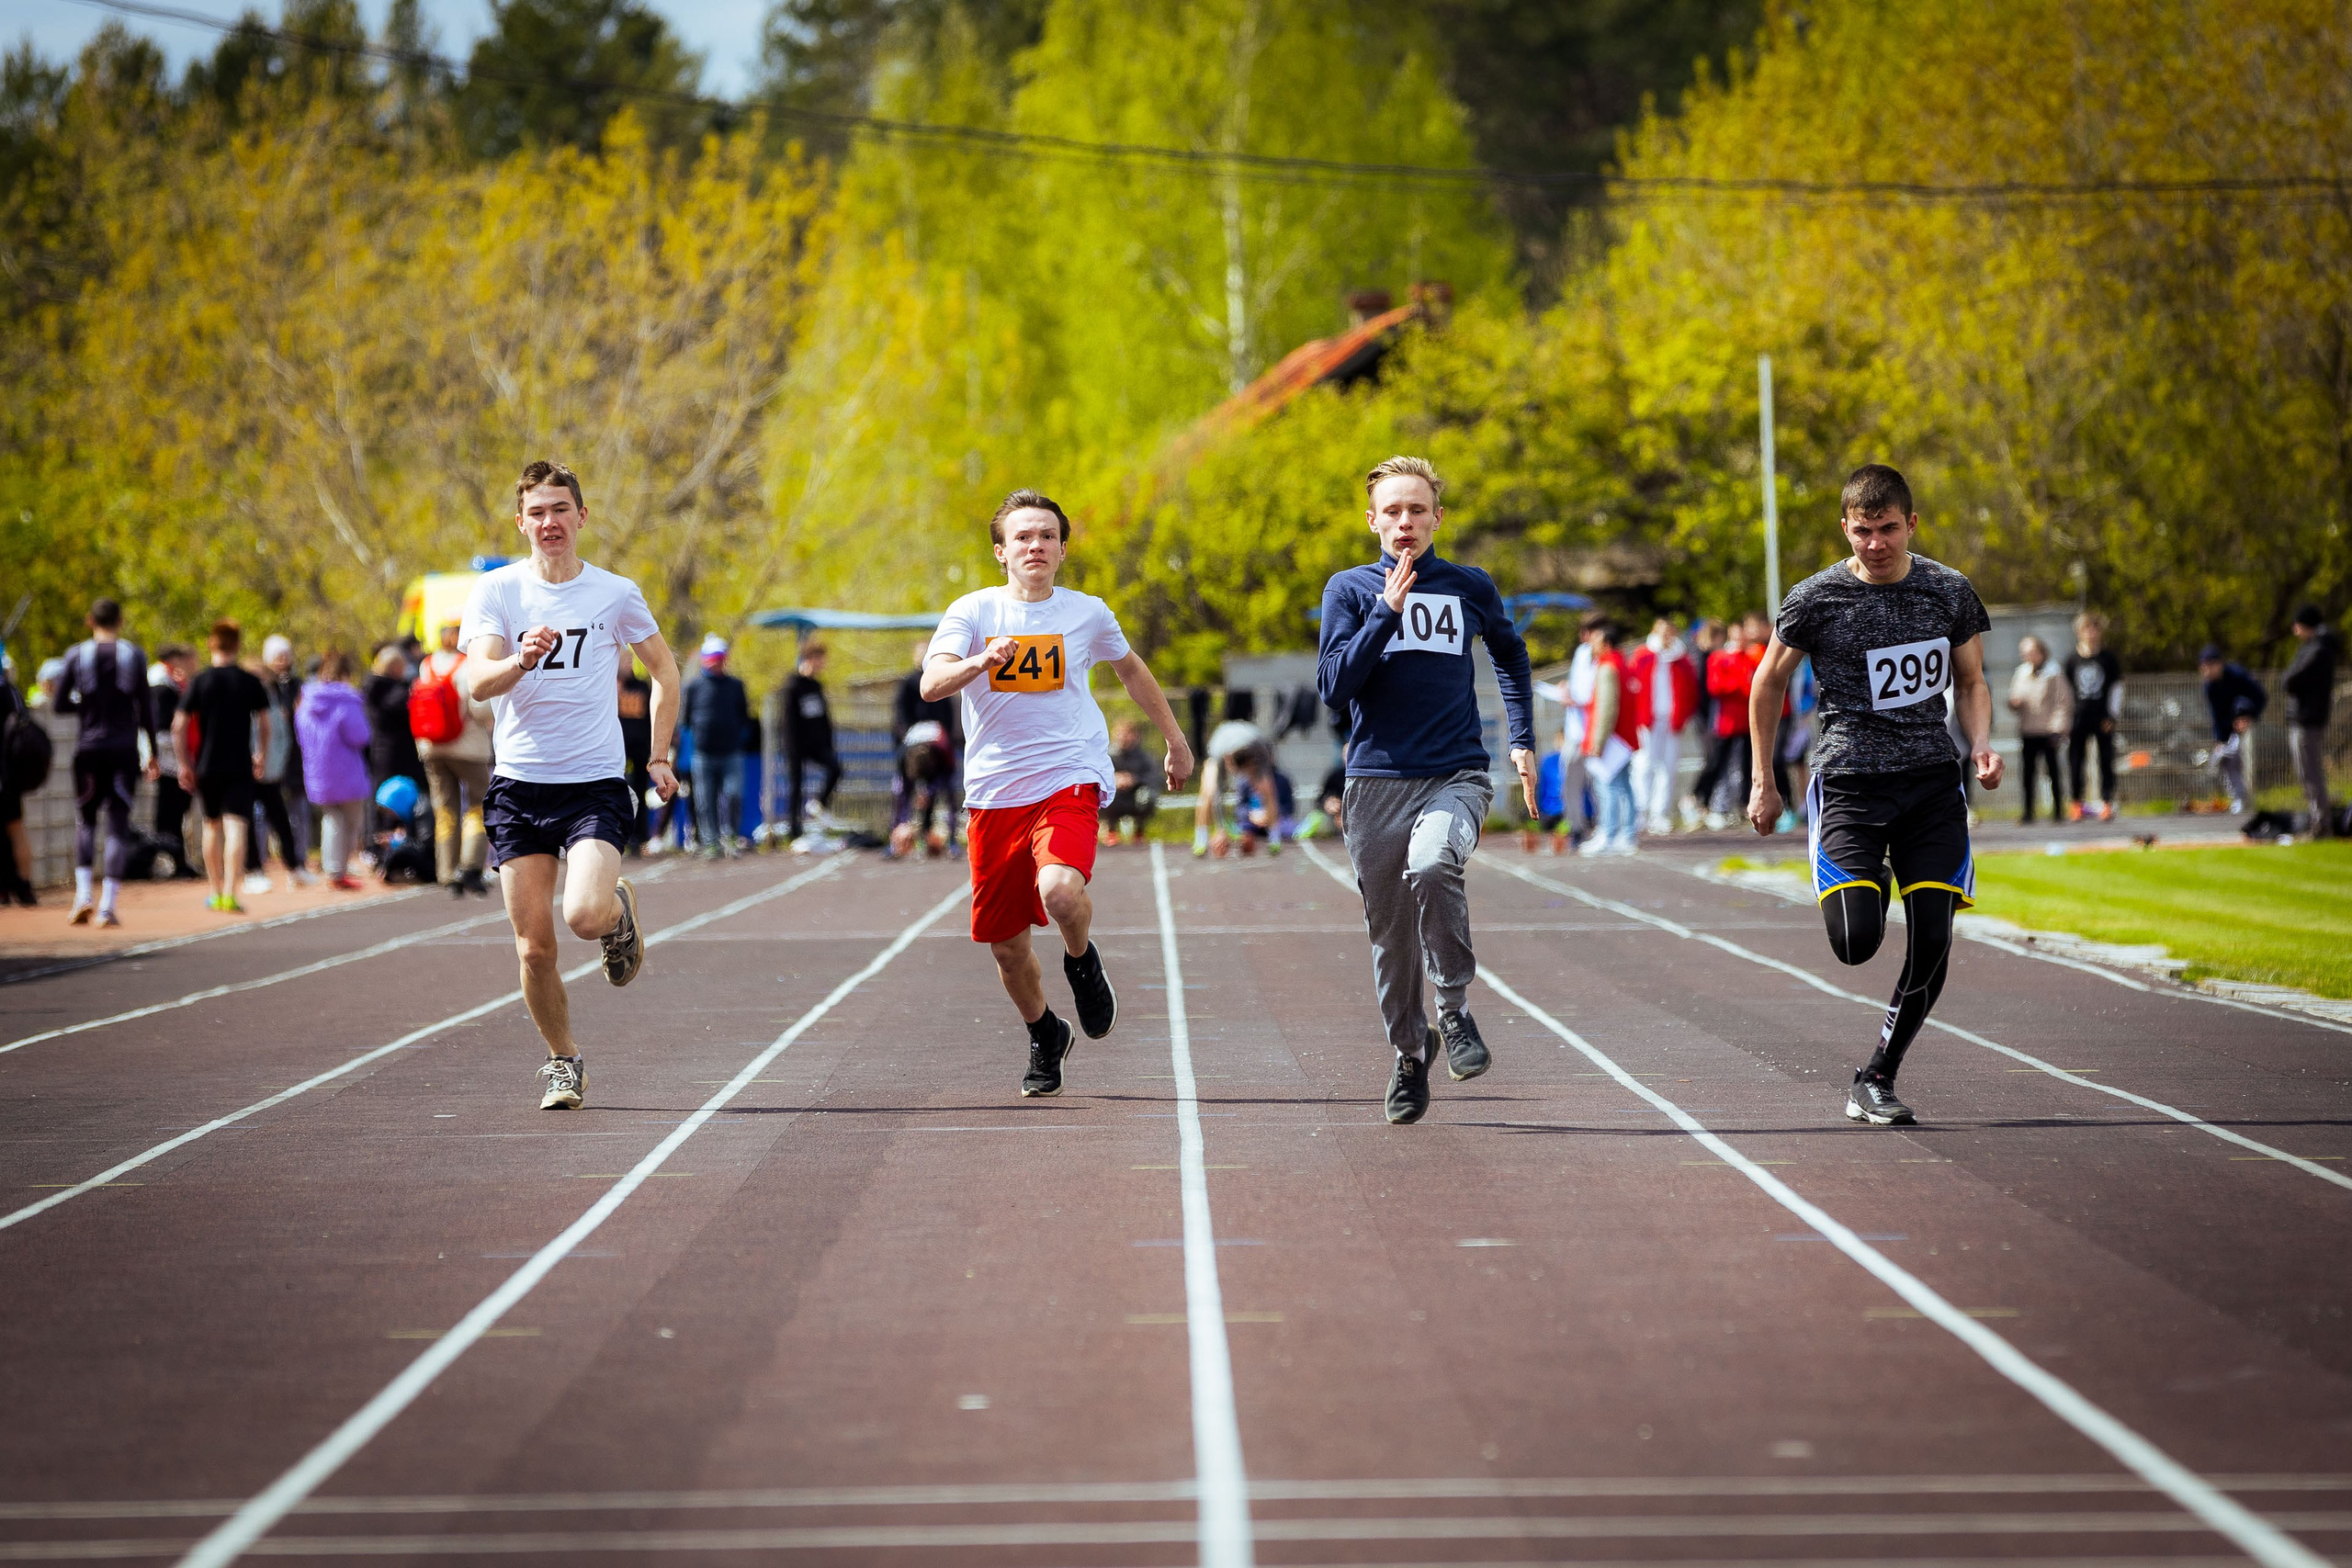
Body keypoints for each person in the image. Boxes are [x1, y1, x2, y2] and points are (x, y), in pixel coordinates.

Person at [1747, 463, 1998, 1129]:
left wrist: (1980, 744)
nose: (1876, 543)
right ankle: (1876, 873)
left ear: (1911, 524)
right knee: (1855, 941)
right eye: (1863, 531)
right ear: (1845, 529)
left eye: (1887, 529)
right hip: (1851, 785)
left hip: (1931, 784)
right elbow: (1767, 682)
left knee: (1934, 936)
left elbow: (1972, 681)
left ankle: (1878, 1075)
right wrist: (1763, 780)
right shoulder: (1816, 598)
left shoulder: (1948, 590)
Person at [921, 488, 1194, 1099]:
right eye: (1022, 536)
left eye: (1047, 535)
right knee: (1007, 948)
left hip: (1068, 776)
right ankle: (1046, 1032)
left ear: (1063, 549)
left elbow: (1131, 670)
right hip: (994, 792)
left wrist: (1175, 740)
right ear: (1001, 551)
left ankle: (1081, 960)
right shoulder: (973, 611)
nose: (1035, 545)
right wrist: (980, 662)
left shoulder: (1087, 613)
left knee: (1061, 891)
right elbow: (932, 683)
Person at [1317, 456, 1539, 1126]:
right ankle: (1411, 1054)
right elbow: (1334, 687)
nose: (1405, 522)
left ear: (1438, 517)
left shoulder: (1469, 586)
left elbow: (1510, 653)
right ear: (1372, 521)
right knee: (1391, 940)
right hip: (1375, 783)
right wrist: (1386, 613)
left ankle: (1455, 1008)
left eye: (1417, 509)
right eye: (1392, 511)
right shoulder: (1350, 589)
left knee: (1435, 861)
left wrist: (1522, 737)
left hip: (1456, 773)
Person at [460, 460, 679, 1111]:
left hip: (593, 785)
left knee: (582, 916)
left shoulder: (615, 593)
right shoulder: (497, 591)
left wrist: (657, 755)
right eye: (537, 512)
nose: (549, 522)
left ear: (581, 516)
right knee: (534, 949)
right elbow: (478, 684)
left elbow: (665, 671)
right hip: (518, 789)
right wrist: (521, 659)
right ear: (520, 522)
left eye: (560, 509)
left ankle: (616, 916)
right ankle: (563, 1061)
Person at [58, 598, 160, 926]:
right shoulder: (134, 655)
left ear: (90, 620)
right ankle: (107, 906)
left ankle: (82, 896)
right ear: (120, 621)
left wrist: (86, 706)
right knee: (117, 825)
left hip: (88, 748)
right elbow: (146, 707)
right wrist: (152, 751)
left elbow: (59, 703)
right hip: (123, 750)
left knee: (86, 821)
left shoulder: (76, 655)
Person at [175, 620, 271, 916]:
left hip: (207, 765)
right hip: (239, 764)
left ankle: (215, 891)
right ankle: (231, 893)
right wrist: (261, 754)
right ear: (238, 644)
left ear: (211, 644)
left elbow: (178, 725)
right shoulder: (249, 681)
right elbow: (265, 722)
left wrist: (184, 763)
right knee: (237, 826)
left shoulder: (200, 681)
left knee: (211, 825)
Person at [414, 619, 496, 894]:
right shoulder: (466, 665)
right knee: (478, 805)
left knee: (445, 809)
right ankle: (470, 866)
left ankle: (447, 870)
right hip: (467, 747)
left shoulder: (426, 664)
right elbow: (480, 707)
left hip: (432, 747)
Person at [297, 650, 376, 890]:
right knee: (352, 821)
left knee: (331, 818)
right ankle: (339, 869)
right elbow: (360, 735)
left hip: (318, 770)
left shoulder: (307, 701)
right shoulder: (346, 700)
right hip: (347, 770)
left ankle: (333, 868)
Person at [249, 634, 312, 893]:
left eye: (285, 655)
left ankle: (297, 862)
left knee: (293, 812)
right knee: (260, 814)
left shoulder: (295, 686)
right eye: (276, 657)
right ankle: (258, 864)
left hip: (289, 757)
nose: (281, 661)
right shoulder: (261, 691)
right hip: (263, 761)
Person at [892, 637, 964, 853]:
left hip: (937, 753)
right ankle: (898, 837)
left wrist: (948, 736)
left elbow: (948, 712)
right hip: (914, 747)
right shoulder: (908, 683)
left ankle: (948, 838)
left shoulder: (940, 680)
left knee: (944, 794)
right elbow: (900, 713)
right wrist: (906, 735)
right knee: (903, 795)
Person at [1629, 616, 1699, 837]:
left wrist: (1684, 715)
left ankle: (1660, 814)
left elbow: (1691, 688)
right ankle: (1640, 812)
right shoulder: (1643, 655)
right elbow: (1632, 683)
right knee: (1644, 765)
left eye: (1669, 632)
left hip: (1672, 719)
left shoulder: (1681, 659)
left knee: (1668, 767)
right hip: (1648, 719)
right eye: (1662, 632)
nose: (1666, 637)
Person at [684, 633, 751, 857]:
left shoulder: (735, 686)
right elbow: (686, 720)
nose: (717, 664)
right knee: (704, 802)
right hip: (703, 754)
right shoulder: (693, 687)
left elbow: (744, 716)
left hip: (731, 753)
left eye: (720, 659)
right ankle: (710, 843)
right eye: (713, 659)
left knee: (733, 795)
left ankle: (730, 837)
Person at [1578, 619, 1641, 855]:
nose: (1591, 644)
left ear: (1606, 643)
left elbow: (1606, 707)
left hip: (1613, 739)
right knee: (1624, 786)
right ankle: (1627, 834)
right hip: (1623, 736)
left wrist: (1598, 741)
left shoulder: (1607, 667)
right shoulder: (1621, 663)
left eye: (1596, 640)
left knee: (1608, 786)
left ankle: (1609, 833)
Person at [147, 643, 202, 879]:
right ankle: (170, 862)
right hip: (168, 761)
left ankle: (177, 861)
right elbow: (161, 729)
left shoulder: (170, 683)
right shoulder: (160, 684)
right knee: (169, 812)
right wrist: (180, 756)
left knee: (177, 811)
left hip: (176, 759)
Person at [2284, 604, 2339, 836]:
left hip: (2308, 719)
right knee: (2306, 773)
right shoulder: (2311, 648)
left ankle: (2322, 825)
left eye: (2298, 624)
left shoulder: (2318, 650)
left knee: (2311, 773)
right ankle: (2318, 822)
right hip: (2303, 718)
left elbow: (2291, 680)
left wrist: (2290, 680)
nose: (2295, 629)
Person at [2064, 612, 2123, 821]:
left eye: (2094, 629)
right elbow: (2066, 691)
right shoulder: (2072, 659)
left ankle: (2107, 802)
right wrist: (2066, 717)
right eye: (2086, 629)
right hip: (2078, 717)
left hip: (2102, 717)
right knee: (2076, 760)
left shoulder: (2108, 659)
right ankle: (2076, 803)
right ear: (2079, 632)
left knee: (2105, 759)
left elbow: (2117, 688)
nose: (2090, 633)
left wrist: (2112, 716)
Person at [2007, 635, 2072, 824]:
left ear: (2041, 652)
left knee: (2053, 772)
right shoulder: (2021, 673)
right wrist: (2014, 703)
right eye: (2024, 653)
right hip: (2028, 730)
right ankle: (2028, 811)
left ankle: (2058, 811)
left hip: (2048, 731)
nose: (2027, 656)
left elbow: (2063, 702)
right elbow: (2014, 696)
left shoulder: (2054, 673)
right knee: (2027, 773)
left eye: (2031, 652)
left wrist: (2057, 728)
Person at [780, 640, 842, 840]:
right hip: (796, 745)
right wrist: (792, 747)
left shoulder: (816, 686)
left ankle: (819, 803)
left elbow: (824, 718)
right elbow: (789, 721)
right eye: (819, 659)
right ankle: (793, 829)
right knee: (796, 786)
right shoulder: (793, 685)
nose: (822, 664)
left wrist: (828, 743)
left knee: (835, 769)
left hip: (817, 744)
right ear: (809, 659)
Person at [1695, 619, 1753, 827]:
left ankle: (1745, 805)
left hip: (1746, 719)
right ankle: (1702, 801)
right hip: (1726, 720)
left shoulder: (1749, 657)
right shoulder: (1720, 657)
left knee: (1747, 765)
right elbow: (1716, 686)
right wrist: (1739, 684)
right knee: (1717, 761)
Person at [2198, 645, 2267, 816]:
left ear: (2219, 664)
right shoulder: (2210, 686)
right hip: (2230, 727)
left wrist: (2249, 716)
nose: (2206, 671)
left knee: (2243, 759)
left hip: (2249, 722)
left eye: (2209, 666)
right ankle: (2239, 797)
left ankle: (2248, 798)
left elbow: (2260, 696)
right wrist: (2220, 740)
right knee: (2227, 760)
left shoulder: (2237, 676)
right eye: (2203, 667)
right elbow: (2216, 715)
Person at [0, 651, 39, 906]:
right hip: (8, 773)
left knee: (14, 828)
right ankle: (23, 887)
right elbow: (23, 727)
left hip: (6, 773)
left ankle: (12, 888)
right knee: (15, 828)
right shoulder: (10, 692)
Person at [365, 647, 424, 797]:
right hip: (400, 756)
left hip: (378, 753)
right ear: (396, 668)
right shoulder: (397, 694)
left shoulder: (370, 689)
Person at [616, 666, 654, 852]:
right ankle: (619, 835)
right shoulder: (609, 685)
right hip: (617, 748)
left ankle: (640, 837)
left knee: (639, 793)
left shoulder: (642, 686)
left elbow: (649, 716)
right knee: (617, 793)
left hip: (639, 747)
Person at [1102, 718, 1157, 844]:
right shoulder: (1106, 755)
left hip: (1135, 796)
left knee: (1147, 796)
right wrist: (1114, 779)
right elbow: (1097, 775)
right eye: (1120, 733)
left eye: (1127, 734)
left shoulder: (1144, 756)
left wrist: (1134, 780)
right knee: (1106, 793)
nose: (1123, 737)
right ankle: (1111, 831)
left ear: (1135, 736)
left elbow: (1154, 777)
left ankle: (1139, 832)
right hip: (1116, 796)